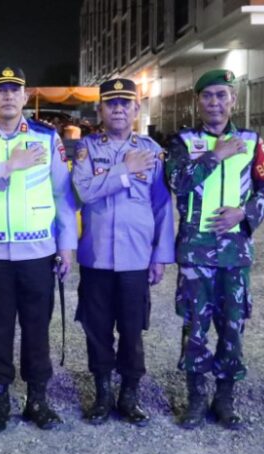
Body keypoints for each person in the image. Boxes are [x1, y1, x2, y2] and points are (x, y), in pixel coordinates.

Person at [0, 65, 77, 432]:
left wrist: (67, 246)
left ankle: (37, 400)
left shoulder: (46, 137)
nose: (8, 96)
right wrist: (9, 165)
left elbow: (63, 195)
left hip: (38, 255)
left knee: (37, 330)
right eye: (0, 89)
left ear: (25, 97)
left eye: (15, 89)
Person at [165, 69, 264, 430]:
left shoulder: (252, 140)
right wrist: (215, 155)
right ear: (197, 102)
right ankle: (196, 399)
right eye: (207, 96)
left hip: (235, 254)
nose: (214, 102)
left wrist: (243, 213)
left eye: (221, 95)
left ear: (234, 100)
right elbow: (178, 182)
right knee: (194, 326)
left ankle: (225, 399)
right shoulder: (183, 141)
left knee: (232, 327)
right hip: (196, 254)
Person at [72, 78, 175, 426]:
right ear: (99, 109)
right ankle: (102, 394)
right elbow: (84, 191)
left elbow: (162, 205)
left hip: (135, 259)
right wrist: (124, 171)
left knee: (132, 330)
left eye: (125, 103)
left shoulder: (152, 152)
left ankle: (129, 394)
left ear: (136, 109)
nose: (118, 108)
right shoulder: (86, 148)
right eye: (111, 103)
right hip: (96, 257)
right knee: (96, 328)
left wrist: (161, 255)